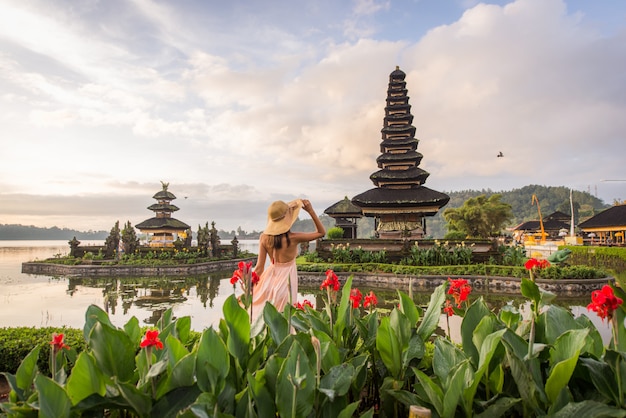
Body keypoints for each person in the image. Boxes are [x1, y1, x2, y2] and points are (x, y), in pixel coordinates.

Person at [251, 198, 325, 322]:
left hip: (269, 279)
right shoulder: (294, 238)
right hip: (286, 281)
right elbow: (321, 232)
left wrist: (250, 288)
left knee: (265, 319)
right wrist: (311, 211)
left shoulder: (264, 238)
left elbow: (259, 268)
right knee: (285, 320)